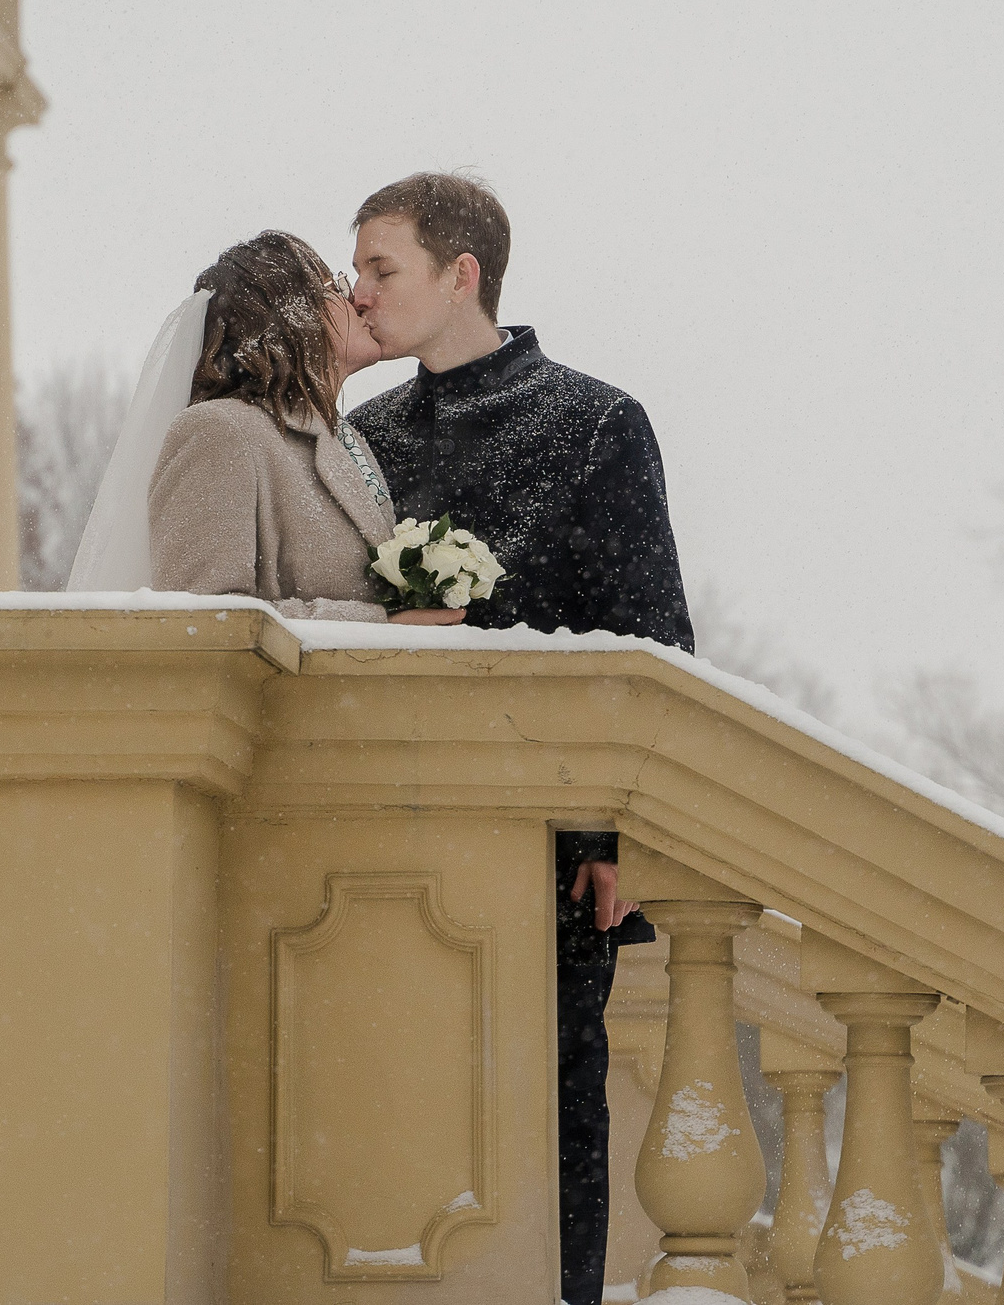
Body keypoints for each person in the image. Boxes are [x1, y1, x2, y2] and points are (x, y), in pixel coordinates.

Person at [345, 172, 693, 1305]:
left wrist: (616, 836)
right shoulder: (361, 435)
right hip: (375, 835)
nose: (359, 292)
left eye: (380, 268)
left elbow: (647, 646)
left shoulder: (593, 421)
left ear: (462, 275)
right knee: (395, 1100)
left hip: (545, 842)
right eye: (357, 270)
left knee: (552, 1106)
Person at [66, 230, 458, 628]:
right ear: (291, 313)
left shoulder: (348, 439)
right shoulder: (217, 433)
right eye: (335, 286)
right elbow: (202, 618)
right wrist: (382, 626)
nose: (355, 299)